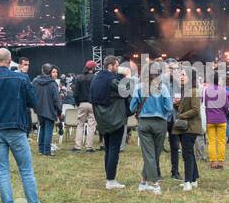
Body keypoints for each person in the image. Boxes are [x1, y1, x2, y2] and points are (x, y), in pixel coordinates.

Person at [0, 47, 57, 203]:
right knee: (26, 170)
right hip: (16, 128)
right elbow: (33, 102)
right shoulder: (21, 78)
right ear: (10, 59)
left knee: (3, 171)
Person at [131, 60, 174, 193]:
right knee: (154, 153)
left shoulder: (139, 87)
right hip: (160, 122)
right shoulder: (163, 87)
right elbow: (169, 107)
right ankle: (155, 184)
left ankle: (144, 182)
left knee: (149, 154)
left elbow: (132, 107)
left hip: (144, 122)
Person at [90, 55, 128, 189]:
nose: (118, 68)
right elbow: (126, 91)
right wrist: (127, 76)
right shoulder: (111, 80)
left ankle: (109, 177)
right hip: (114, 119)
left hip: (102, 119)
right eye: (117, 66)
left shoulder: (95, 78)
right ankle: (111, 180)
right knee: (113, 150)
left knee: (108, 149)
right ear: (110, 66)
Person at [172, 68, 203, 190]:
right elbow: (186, 106)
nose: (181, 77)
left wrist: (181, 115)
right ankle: (194, 179)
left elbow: (195, 109)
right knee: (189, 153)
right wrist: (177, 104)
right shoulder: (186, 90)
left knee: (187, 154)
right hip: (186, 126)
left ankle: (188, 181)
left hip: (191, 127)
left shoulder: (194, 91)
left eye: (183, 75)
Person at [201, 67, 229, 170]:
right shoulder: (223, 90)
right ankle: (221, 161)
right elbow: (226, 105)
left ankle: (213, 161)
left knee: (211, 141)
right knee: (221, 141)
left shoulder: (205, 91)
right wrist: (224, 114)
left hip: (209, 119)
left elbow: (202, 103)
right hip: (221, 118)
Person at [32, 63, 62, 155]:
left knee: (42, 128)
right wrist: (59, 111)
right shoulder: (53, 84)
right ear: (50, 72)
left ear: (42, 70)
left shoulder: (35, 81)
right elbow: (56, 100)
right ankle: (47, 150)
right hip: (50, 109)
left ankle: (41, 149)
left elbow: (32, 94)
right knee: (48, 129)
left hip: (39, 109)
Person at [72, 60, 98, 152]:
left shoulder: (79, 78)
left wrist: (77, 103)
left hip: (82, 103)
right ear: (93, 68)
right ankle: (89, 147)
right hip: (92, 104)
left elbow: (75, 93)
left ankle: (77, 146)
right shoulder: (95, 78)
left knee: (80, 125)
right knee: (91, 125)